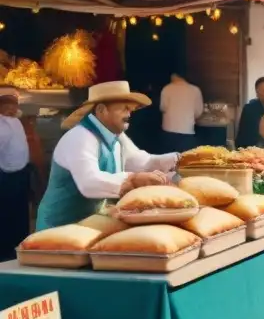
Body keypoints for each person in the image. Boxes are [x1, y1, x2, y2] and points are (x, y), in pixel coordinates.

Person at [35, 81, 179, 231]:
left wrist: (178, 159)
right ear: (101, 110)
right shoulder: (80, 137)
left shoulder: (117, 138)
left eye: (129, 109)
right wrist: (133, 180)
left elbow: (143, 162)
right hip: (58, 229)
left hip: (88, 226)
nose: (129, 113)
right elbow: (89, 183)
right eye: (124, 108)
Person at [0, 87, 31, 259]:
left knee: (19, 213)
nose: (12, 109)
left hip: (20, 174)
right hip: (3, 177)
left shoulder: (17, 122)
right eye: (7, 104)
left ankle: (19, 248)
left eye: (14, 105)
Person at [159, 71, 204, 154]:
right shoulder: (195, 90)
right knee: (185, 163)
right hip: (187, 132)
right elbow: (198, 112)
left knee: (168, 163)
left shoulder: (166, 89)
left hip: (169, 132)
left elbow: (163, 108)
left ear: (173, 75)